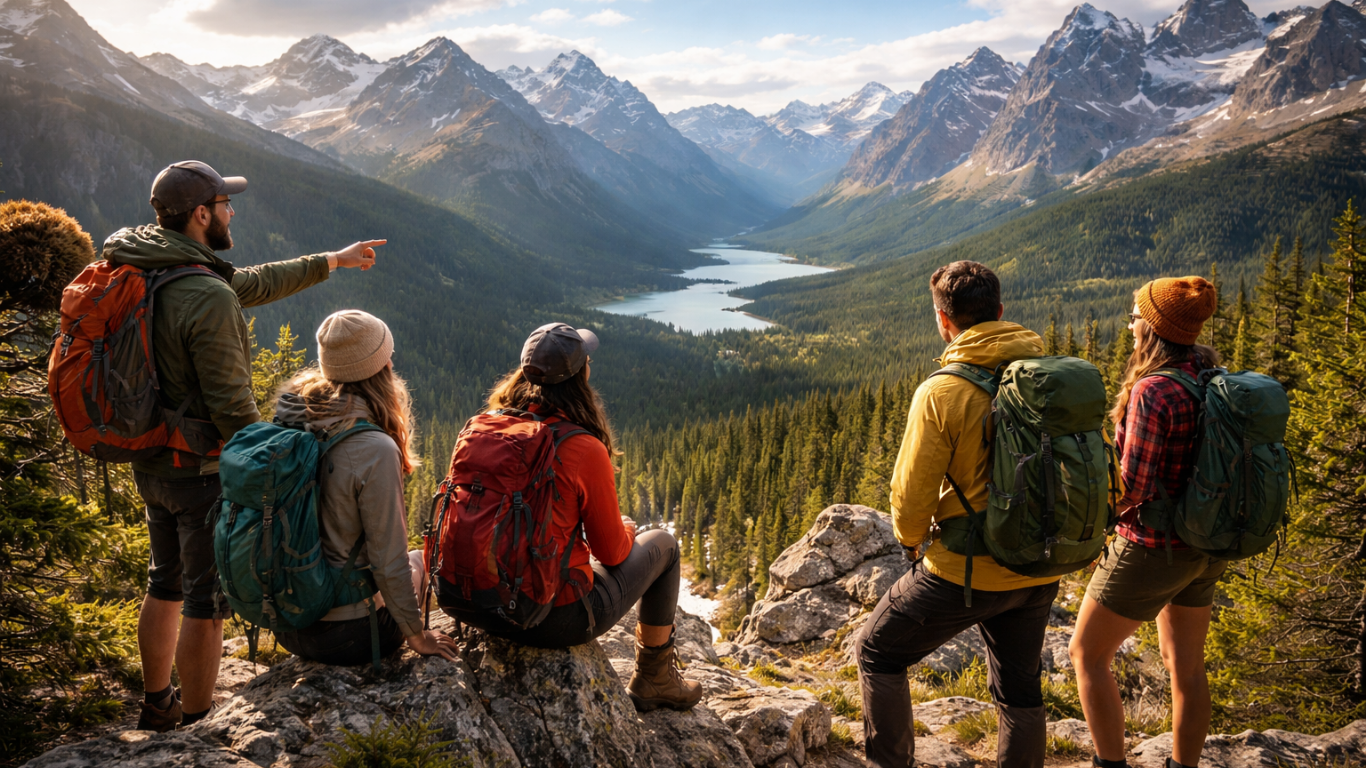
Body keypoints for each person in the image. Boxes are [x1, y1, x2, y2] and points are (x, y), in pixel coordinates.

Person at [111, 160, 386, 731]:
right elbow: (234, 409)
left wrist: (333, 260)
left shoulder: (147, 266)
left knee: (162, 581)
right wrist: (283, 466)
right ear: (201, 213)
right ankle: (194, 724)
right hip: (200, 469)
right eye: (225, 203)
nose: (233, 211)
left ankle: (156, 699)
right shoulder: (203, 295)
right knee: (204, 602)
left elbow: (252, 282)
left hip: (151, 458)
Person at [856, 260, 1059, 768]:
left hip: (968, 569)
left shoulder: (943, 391)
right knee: (1019, 687)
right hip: (1040, 565)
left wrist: (909, 542)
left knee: (877, 651)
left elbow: (911, 494)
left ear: (943, 320)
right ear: (1000, 312)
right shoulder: (1051, 379)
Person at [439, 322, 703, 712]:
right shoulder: (582, 446)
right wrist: (627, 531)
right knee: (663, 545)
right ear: (582, 375)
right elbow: (612, 554)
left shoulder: (484, 428)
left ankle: (656, 676)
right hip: (549, 618)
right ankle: (654, 677)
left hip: (469, 601)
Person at [1069, 277, 1222, 768]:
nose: (1130, 323)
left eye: (1135, 315)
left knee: (1086, 655)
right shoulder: (1208, 370)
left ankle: (1110, 764)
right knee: (1187, 667)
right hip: (1204, 543)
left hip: (1154, 545)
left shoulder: (1154, 390)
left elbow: (1132, 485)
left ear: (1152, 327)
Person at [268, 310, 457, 666]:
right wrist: (417, 635)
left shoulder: (290, 420)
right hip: (349, 636)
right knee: (417, 558)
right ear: (381, 366)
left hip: (288, 623)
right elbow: (388, 562)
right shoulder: (373, 447)